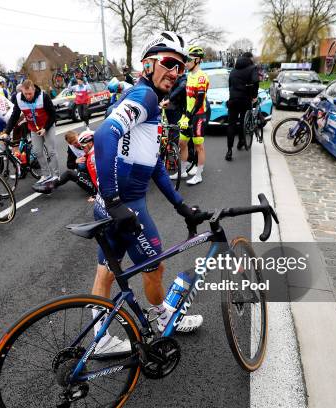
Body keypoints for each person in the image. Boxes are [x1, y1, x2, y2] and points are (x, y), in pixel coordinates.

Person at [91, 31, 204, 354]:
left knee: (107, 272)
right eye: (169, 63)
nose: (175, 72)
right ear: (147, 64)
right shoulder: (146, 97)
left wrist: (180, 205)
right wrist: (115, 201)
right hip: (125, 205)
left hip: (111, 204)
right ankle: (162, 317)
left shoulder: (142, 96)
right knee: (155, 267)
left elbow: (153, 165)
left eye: (181, 67)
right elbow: (103, 137)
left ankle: (99, 340)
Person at [3, 80, 60, 184]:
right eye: (25, 94)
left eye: (30, 94)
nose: (28, 96)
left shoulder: (43, 96)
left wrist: (45, 128)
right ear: (22, 91)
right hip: (34, 128)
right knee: (37, 152)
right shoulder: (19, 98)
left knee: (51, 151)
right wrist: (7, 131)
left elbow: (53, 114)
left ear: (34, 90)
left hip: (47, 126)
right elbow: (15, 115)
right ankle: (46, 175)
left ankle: (56, 175)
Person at [171, 45, 209, 185]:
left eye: (188, 60)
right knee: (182, 143)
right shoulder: (189, 76)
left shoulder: (201, 77)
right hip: (187, 114)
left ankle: (198, 175)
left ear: (197, 60)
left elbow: (199, 101)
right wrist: (185, 115)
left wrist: (189, 116)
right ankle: (184, 170)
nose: (186, 63)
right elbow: (187, 99)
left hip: (198, 115)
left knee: (199, 146)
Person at [33, 130, 97, 197]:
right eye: (75, 143)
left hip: (97, 186)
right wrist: (76, 161)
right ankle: (50, 186)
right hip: (92, 179)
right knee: (75, 168)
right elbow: (69, 165)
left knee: (84, 165)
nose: (80, 146)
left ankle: (50, 186)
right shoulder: (78, 149)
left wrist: (95, 195)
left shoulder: (95, 150)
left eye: (83, 146)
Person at [226, 51, 259, 161]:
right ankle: (241, 140)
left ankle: (229, 151)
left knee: (231, 125)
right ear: (250, 58)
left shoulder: (234, 70)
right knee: (243, 121)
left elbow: (230, 84)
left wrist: (232, 95)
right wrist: (254, 95)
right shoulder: (252, 68)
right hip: (245, 99)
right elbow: (256, 81)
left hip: (233, 99)